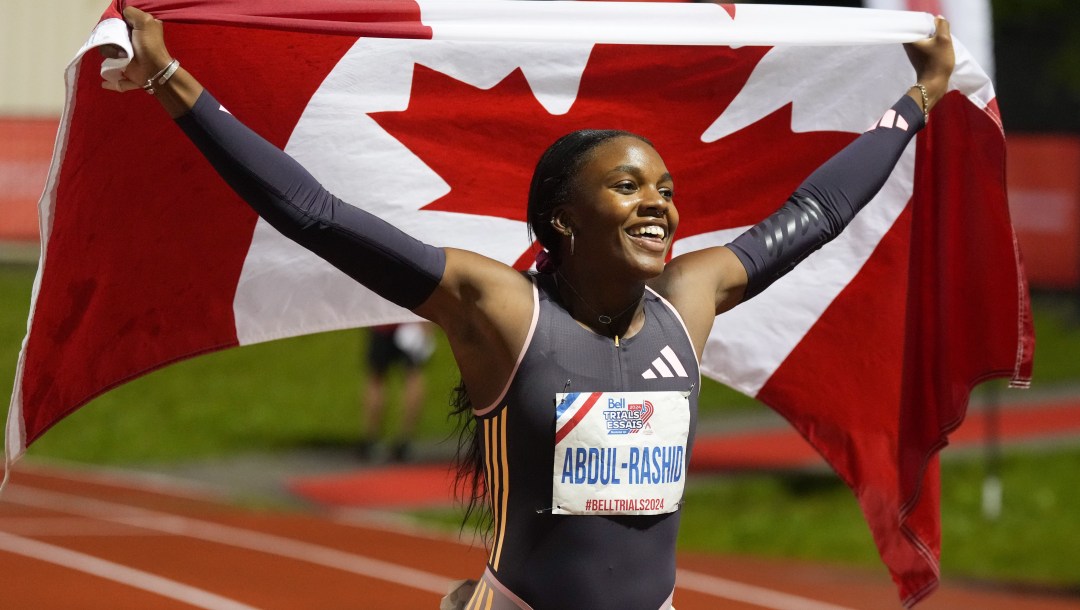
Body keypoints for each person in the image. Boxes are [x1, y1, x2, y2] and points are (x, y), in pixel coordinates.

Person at [106, 7, 954, 609]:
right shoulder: (502, 310)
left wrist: (917, 102)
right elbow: (319, 217)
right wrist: (174, 82)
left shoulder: (689, 301)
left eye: (666, 188)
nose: (658, 203)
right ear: (562, 219)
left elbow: (817, 215)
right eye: (627, 186)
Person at [358, 322, 434, 462]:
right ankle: (405, 440)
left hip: (383, 322)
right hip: (410, 320)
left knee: (377, 379)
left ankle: (370, 439)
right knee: (412, 375)